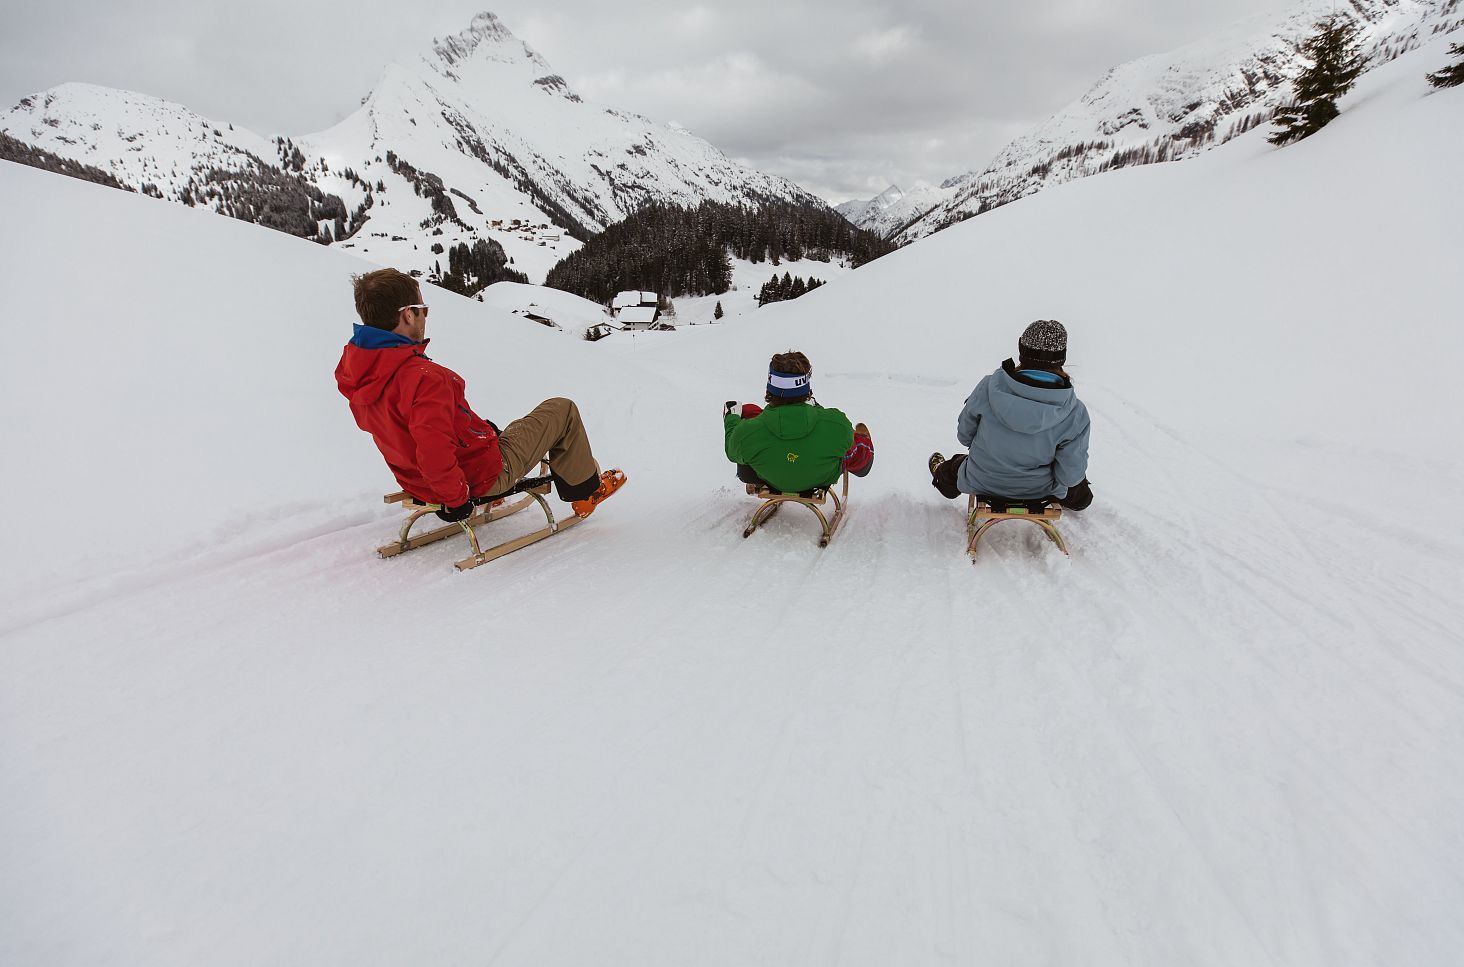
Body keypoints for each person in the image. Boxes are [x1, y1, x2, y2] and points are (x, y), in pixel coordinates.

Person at [335, 268, 625, 522]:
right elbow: (433, 448)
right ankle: (586, 492)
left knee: (502, 429)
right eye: (423, 308)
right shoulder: (424, 378)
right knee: (562, 410)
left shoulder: (360, 371)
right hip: (476, 479)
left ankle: (477, 464)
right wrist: (456, 500)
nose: (425, 315)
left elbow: (409, 430)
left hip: (417, 482)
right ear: (408, 314)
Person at [928, 320, 1092, 510]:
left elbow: (964, 436)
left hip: (983, 479)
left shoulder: (988, 389)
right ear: (1061, 359)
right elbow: (1069, 476)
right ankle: (1081, 501)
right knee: (1078, 487)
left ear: (1021, 350)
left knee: (957, 465)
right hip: (1040, 490)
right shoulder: (1075, 412)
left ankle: (941, 475)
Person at [723, 350, 874, 495]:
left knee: (748, 425)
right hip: (820, 477)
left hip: (770, 476)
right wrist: (816, 408)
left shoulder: (748, 432)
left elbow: (732, 451)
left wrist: (730, 418)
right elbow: (834, 433)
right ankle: (864, 449)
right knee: (849, 446)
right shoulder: (837, 423)